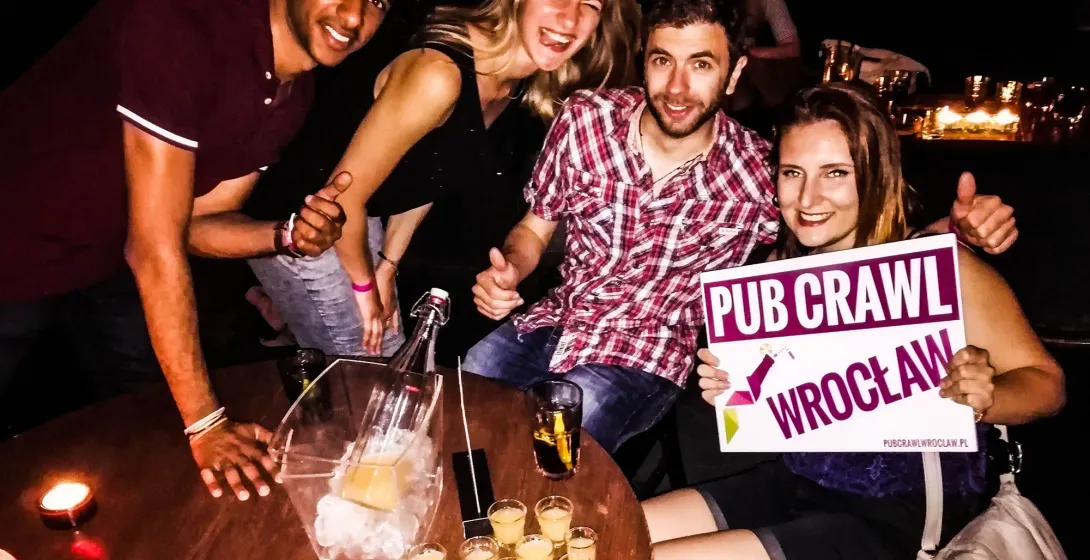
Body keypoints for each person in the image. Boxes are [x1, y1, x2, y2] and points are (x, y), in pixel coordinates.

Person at [464, 0, 1020, 455]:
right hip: (554, 319)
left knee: (558, 439)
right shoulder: (585, 118)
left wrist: (952, 231)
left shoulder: (759, 171)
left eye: (701, 65)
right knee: (464, 402)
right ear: (643, 61)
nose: (677, 87)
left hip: (645, 355)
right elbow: (535, 228)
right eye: (663, 61)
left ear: (733, 74)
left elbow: (852, 239)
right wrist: (512, 267)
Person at [641, 83, 1066, 560]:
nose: (808, 197)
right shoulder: (779, 276)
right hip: (800, 479)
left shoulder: (938, 271)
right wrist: (732, 388)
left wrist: (988, 398)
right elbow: (773, 406)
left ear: (875, 176)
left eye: (836, 173)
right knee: (612, 529)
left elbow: (1048, 384)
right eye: (793, 173)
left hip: (902, 512)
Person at [0, 0, 386, 501]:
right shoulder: (181, 21)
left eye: (378, 1)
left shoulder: (294, 92)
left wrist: (287, 236)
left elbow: (196, 224)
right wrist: (207, 422)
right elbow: (155, 244)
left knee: (148, 426)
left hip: (107, 258)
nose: (354, 17)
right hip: (14, 240)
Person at [244, 0, 641, 360]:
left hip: (358, 217)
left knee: (388, 359)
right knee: (370, 369)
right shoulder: (439, 74)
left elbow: (430, 176)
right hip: (298, 218)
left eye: (590, 4)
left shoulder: (509, 83)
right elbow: (342, 200)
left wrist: (387, 266)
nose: (570, 18)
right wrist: (364, 287)